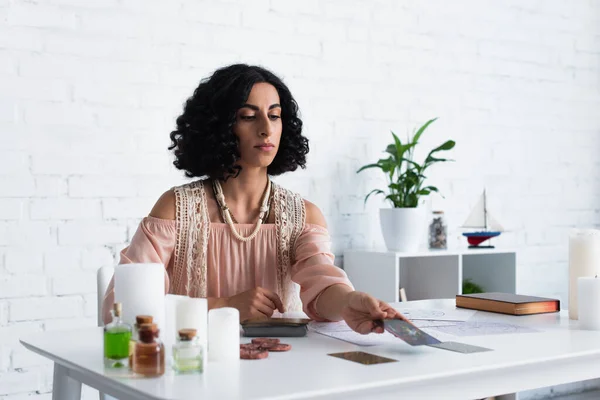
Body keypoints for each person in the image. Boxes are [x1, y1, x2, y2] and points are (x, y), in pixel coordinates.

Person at [102, 64, 405, 334]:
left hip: (280, 369)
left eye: (274, 116)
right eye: (248, 116)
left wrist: (349, 301)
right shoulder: (175, 210)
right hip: (192, 369)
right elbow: (120, 307)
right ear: (219, 127)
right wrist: (225, 306)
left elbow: (323, 288)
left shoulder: (303, 216)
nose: (266, 128)